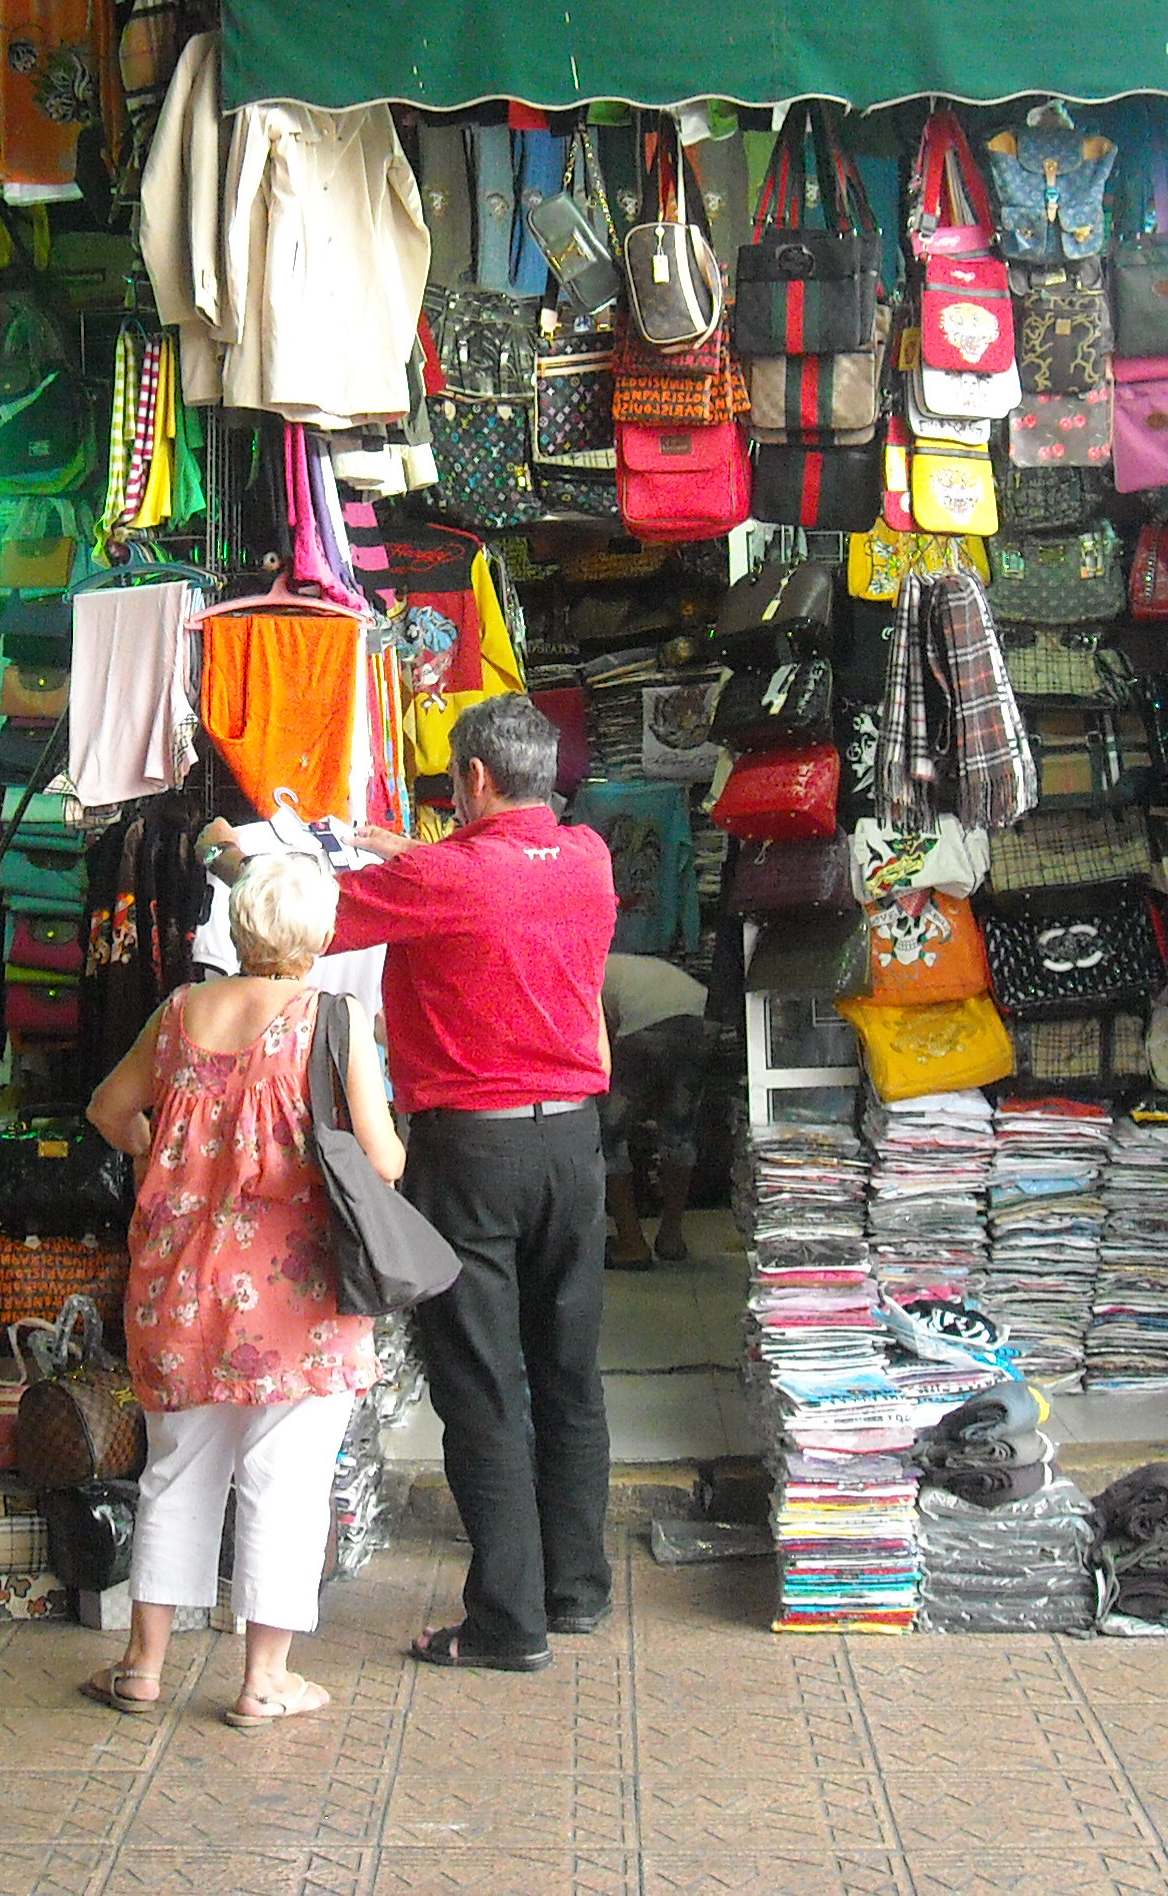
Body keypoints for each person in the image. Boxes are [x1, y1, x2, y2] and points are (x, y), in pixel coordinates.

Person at [328, 692, 620, 1670]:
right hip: (573, 1147)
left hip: (471, 1157)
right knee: (569, 1373)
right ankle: (576, 1590)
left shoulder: (440, 877)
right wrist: (400, 850)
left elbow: (308, 923)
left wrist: (239, 857)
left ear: (476, 778)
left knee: (483, 1385)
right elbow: (480, 873)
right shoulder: (588, 858)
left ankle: (507, 1621)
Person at [81, 852, 401, 1728]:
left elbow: (108, 1109)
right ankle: (264, 1680)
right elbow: (383, 1159)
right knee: (283, 1480)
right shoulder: (332, 1018)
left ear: (240, 927)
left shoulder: (179, 1012)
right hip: (296, 1297)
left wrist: (158, 1150)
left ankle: (143, 1667)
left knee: (175, 1471)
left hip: (179, 1282)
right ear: (322, 936)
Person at [600, 952, 719, 1272]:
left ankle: (631, 1243)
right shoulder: (623, 964)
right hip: (702, 1018)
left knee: (608, 1135)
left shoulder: (587, 970)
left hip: (645, 1026)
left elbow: (601, 1039)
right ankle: (671, 1237)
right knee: (678, 1131)